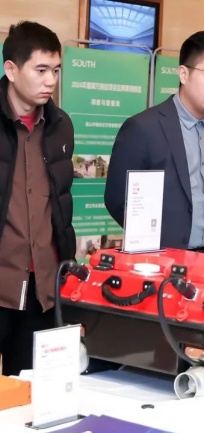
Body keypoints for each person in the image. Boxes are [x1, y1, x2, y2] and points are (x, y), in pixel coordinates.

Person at [105, 31, 204, 251]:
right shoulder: (143, 128)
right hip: (164, 257)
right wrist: (152, 241)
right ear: (184, 74)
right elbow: (117, 200)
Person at [0, 22, 76, 376]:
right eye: (41, 70)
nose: (51, 81)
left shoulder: (61, 125)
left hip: (42, 287)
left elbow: (60, 204)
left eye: (56, 70)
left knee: (34, 390)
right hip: (2, 279)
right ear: (11, 69)